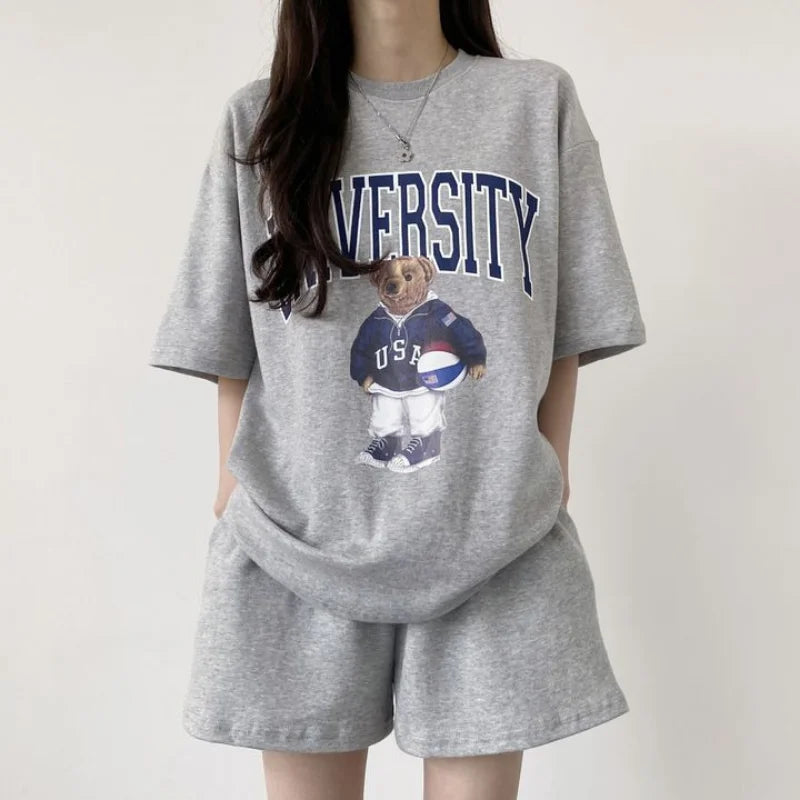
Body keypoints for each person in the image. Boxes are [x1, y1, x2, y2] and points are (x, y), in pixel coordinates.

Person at [147, 0, 647, 797]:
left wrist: (549, 466)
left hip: (492, 541)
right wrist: (229, 482)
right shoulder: (261, 119)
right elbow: (224, 329)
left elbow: (574, 316)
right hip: (300, 541)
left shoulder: (534, 102)